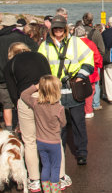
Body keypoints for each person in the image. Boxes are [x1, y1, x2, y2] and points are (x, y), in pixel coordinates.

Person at [5, 42, 72, 192]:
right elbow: (49, 77)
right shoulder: (40, 57)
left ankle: (34, 179)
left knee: (29, 141)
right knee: (54, 137)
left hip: (26, 98)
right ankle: (60, 177)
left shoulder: (10, 65)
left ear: (11, 53)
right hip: (47, 96)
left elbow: (13, 93)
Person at [38, 15, 94, 166]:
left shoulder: (75, 42)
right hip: (55, 90)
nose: (58, 31)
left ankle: (82, 153)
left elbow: (89, 58)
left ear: (65, 28)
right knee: (57, 125)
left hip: (73, 87)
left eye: (60, 28)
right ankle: (59, 152)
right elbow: (40, 65)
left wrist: (81, 76)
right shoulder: (45, 45)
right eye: (55, 28)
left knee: (78, 123)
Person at [21, 75, 70, 193]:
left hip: (41, 141)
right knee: (55, 167)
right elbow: (64, 123)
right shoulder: (59, 108)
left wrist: (36, 86)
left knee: (45, 166)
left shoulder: (36, 104)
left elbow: (24, 94)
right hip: (54, 142)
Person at [0, 15, 38, 131]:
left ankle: (9, 128)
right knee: (21, 101)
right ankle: (22, 126)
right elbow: (35, 49)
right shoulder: (21, 37)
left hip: (2, 77)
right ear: (14, 25)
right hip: (20, 76)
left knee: (6, 105)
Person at [74, 26, 103, 118]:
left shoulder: (72, 44)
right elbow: (97, 57)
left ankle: (79, 111)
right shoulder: (90, 43)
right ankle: (88, 111)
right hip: (91, 72)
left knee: (76, 91)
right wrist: (99, 66)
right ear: (85, 34)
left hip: (76, 72)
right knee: (89, 92)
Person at [82, 12, 105, 111]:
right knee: (95, 83)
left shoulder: (78, 31)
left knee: (82, 83)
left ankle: (83, 103)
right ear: (92, 21)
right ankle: (95, 104)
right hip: (93, 62)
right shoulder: (96, 33)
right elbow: (102, 49)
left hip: (80, 62)